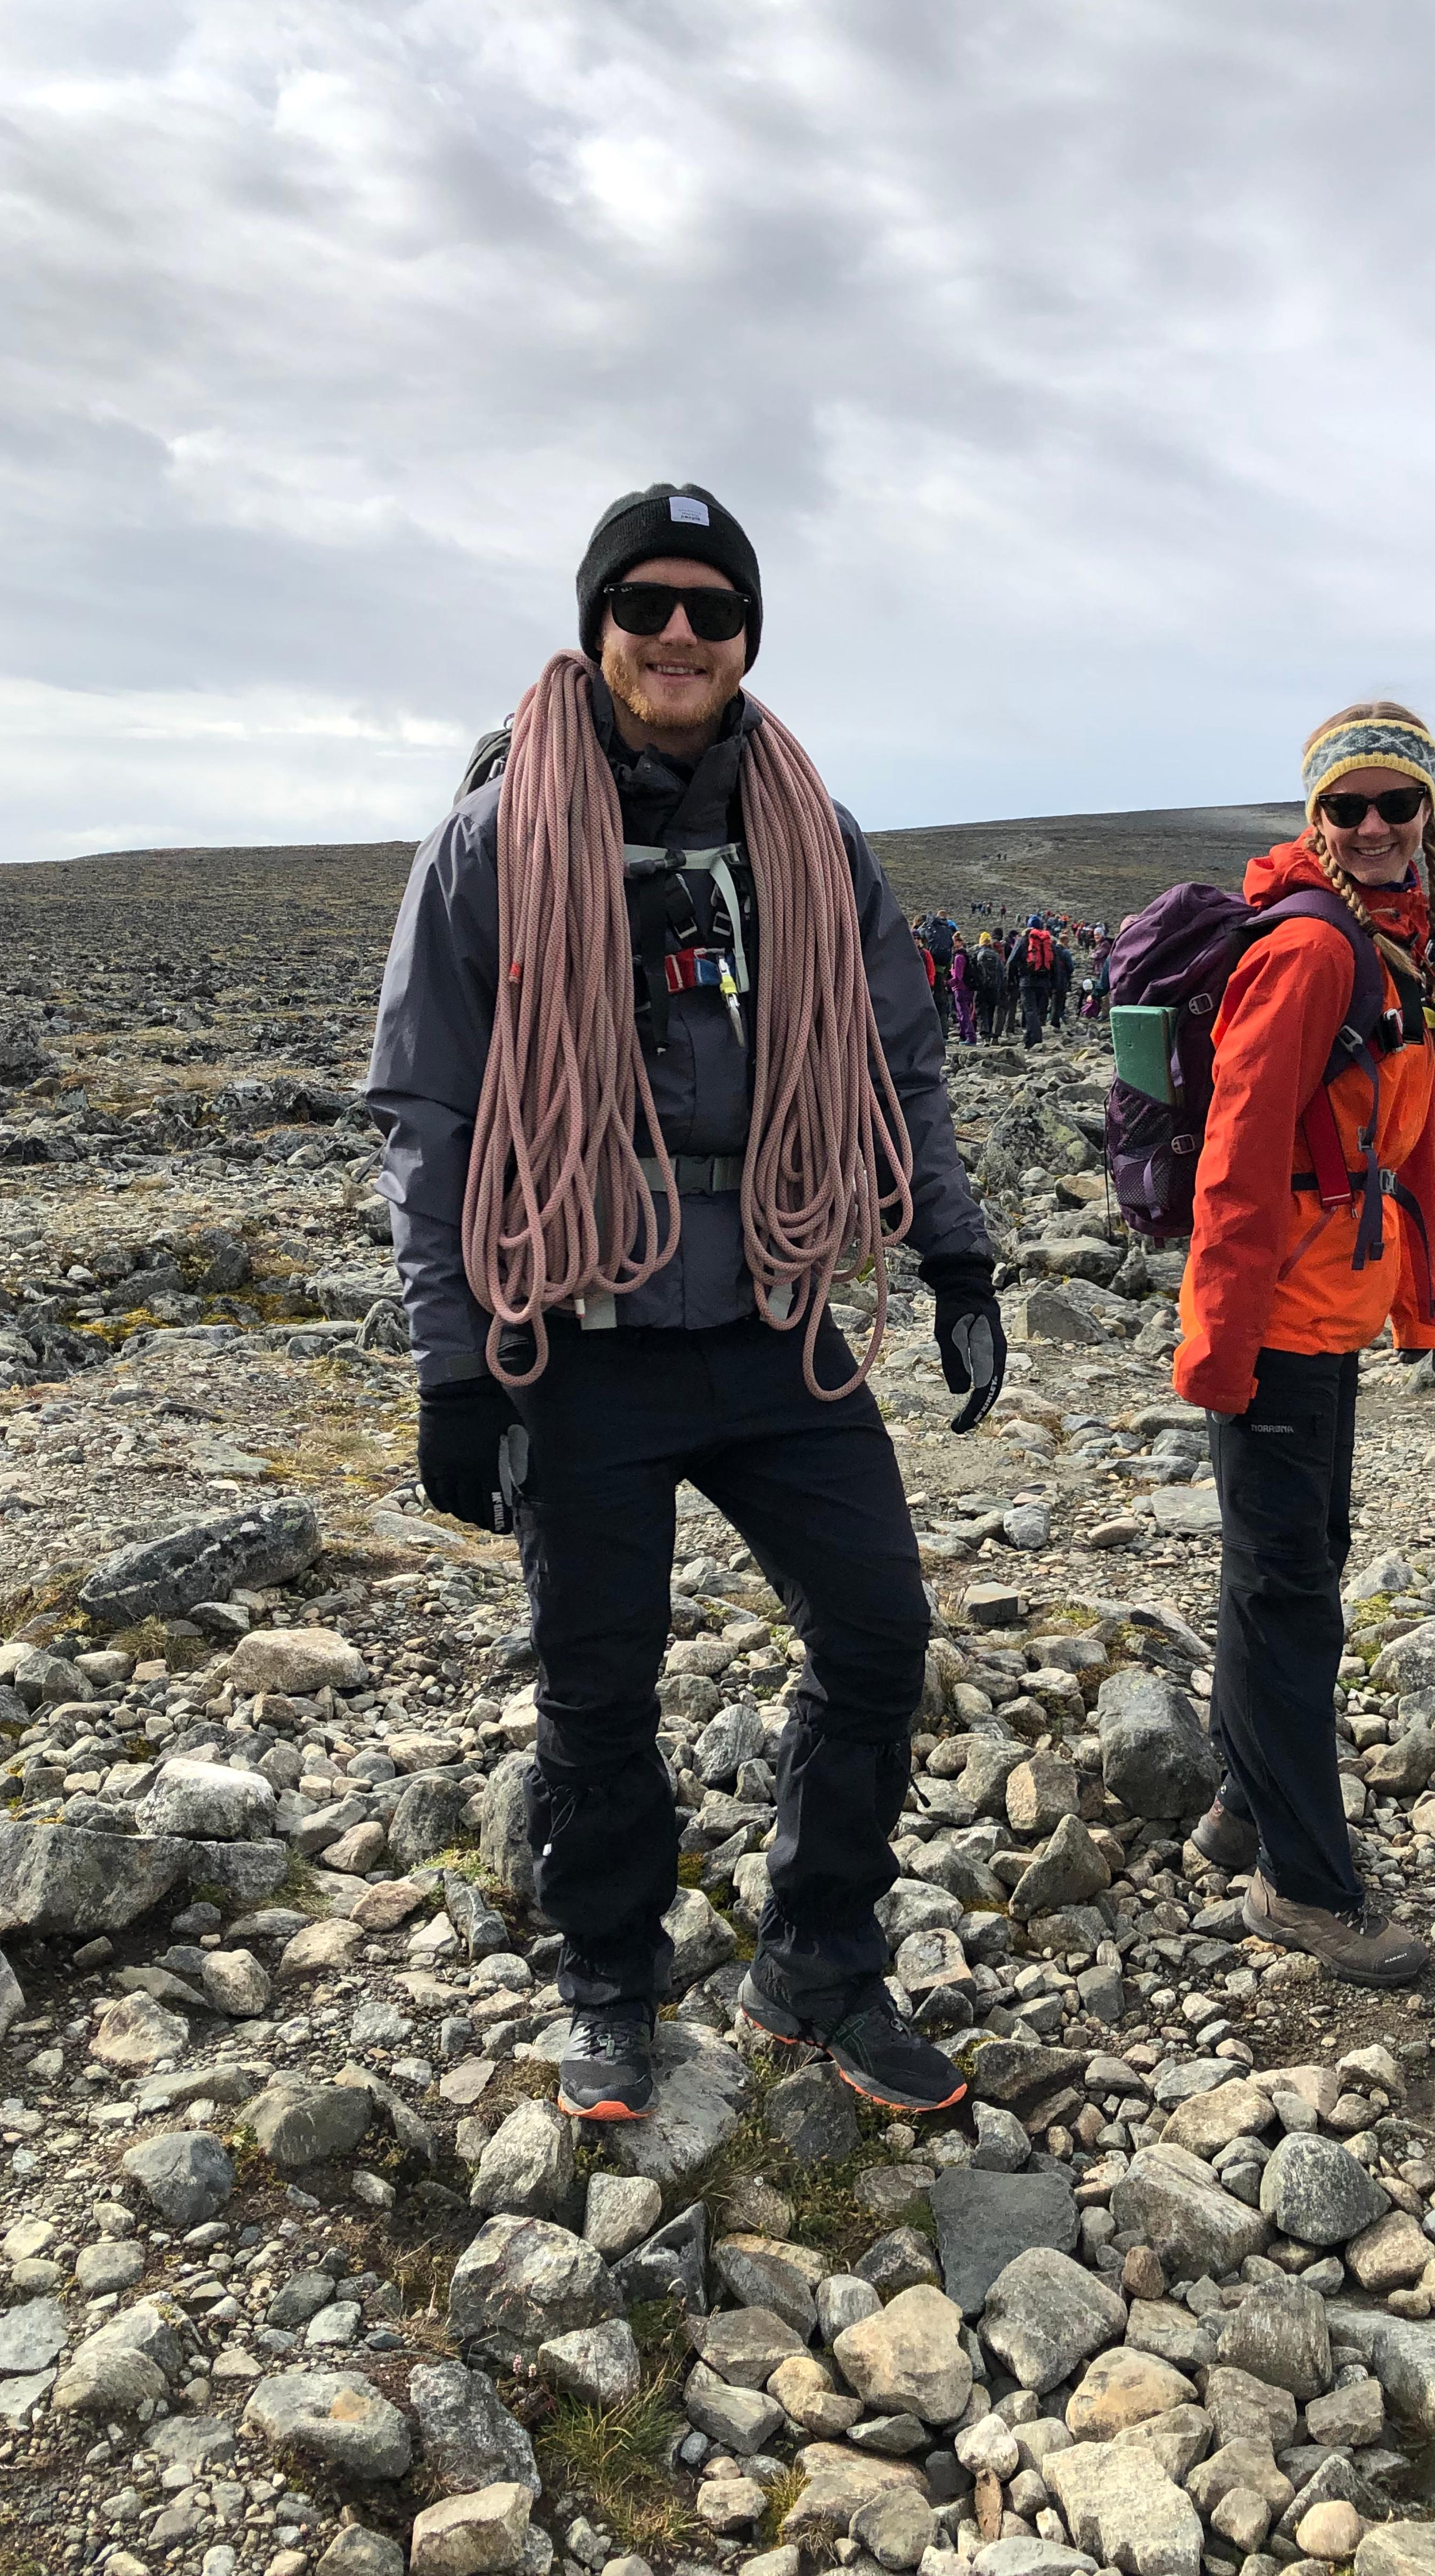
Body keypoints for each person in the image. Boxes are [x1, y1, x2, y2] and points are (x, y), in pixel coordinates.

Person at [367, 482, 1007, 2125]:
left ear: (746, 639)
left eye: (710, 610)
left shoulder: (812, 837)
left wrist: (956, 1259)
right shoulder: (490, 844)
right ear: (594, 627)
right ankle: (608, 1973)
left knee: (879, 1632)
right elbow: (429, 1111)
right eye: (642, 604)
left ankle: (818, 1959)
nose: (675, 633)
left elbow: (900, 1061)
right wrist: (453, 1367)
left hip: (777, 1318)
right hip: (578, 1335)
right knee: (598, 1686)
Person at [1174, 701, 1435, 1988]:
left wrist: (1418, 1302)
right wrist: (1218, 1348)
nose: (1374, 824)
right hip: (1276, 1321)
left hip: (1319, 1312)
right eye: (1348, 806)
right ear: (1316, 817)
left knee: (1289, 1567)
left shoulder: (1387, 945)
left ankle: (1243, 1809)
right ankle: (1302, 1884)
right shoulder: (1310, 951)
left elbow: (1396, 1153)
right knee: (1286, 1589)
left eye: (1397, 802)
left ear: (1427, 812)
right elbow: (1235, 1160)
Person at [1012, 917, 1057, 1046]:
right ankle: (1029, 1039)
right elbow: (1055, 963)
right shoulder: (1048, 941)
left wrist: (1011, 980)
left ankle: (1036, 1038)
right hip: (1044, 981)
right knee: (1037, 1010)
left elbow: (1012, 961)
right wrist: (1054, 983)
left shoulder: (1023, 941)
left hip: (1027, 981)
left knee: (1030, 1010)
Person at [973, 932, 1006, 1042]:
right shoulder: (996, 956)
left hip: (981, 987)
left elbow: (973, 970)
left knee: (980, 1009)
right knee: (991, 1010)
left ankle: (984, 1033)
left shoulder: (977, 954)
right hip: (994, 987)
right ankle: (991, 1034)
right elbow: (1001, 972)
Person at [949, 936, 978, 1045]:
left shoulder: (959, 958)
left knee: (963, 1013)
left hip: (961, 988)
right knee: (964, 1012)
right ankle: (964, 1035)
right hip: (968, 988)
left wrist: (947, 983)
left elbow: (958, 977)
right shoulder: (966, 956)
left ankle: (971, 1037)